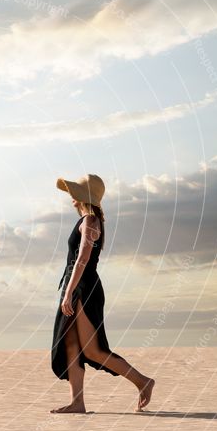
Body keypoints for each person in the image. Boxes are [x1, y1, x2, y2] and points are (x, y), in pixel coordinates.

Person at [50, 173, 155, 413]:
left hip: (83, 288)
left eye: (74, 194)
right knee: (71, 345)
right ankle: (78, 403)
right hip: (77, 285)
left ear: (82, 197)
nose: (71, 198)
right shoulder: (89, 220)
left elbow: (83, 259)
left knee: (93, 349)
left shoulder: (90, 220)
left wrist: (68, 293)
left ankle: (143, 381)